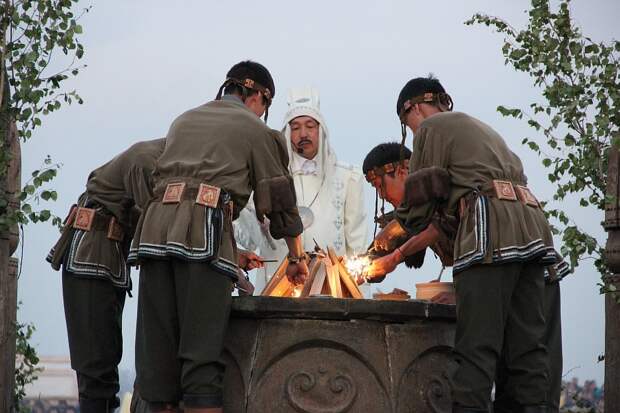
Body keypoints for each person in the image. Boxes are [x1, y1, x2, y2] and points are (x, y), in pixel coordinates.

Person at [365, 75, 562, 413]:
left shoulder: (433, 127)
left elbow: (422, 203)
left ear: (412, 108)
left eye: (406, 122)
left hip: (492, 231)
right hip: (532, 233)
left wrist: (394, 237)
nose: (412, 133)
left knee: (475, 351)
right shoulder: (482, 130)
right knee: (526, 355)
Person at [128, 60, 308, 413]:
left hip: (153, 234)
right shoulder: (256, 130)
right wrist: (297, 258)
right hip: (203, 235)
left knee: (158, 364)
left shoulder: (184, 119)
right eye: (264, 107)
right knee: (201, 359)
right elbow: (282, 203)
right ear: (259, 96)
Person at [46, 138, 166, 413]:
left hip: (109, 258)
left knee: (105, 362)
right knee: (95, 367)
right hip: (91, 253)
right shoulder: (147, 158)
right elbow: (157, 222)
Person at [234, 87, 367, 293]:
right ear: (287, 133)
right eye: (295, 128)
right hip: (278, 286)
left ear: (320, 129)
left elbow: (357, 245)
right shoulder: (267, 177)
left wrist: (358, 295)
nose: (303, 134)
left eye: (309, 126)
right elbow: (248, 237)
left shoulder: (348, 177)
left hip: (331, 288)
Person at [361, 141, 455, 304]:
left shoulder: (446, 194)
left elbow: (438, 228)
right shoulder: (406, 218)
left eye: (379, 186)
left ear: (401, 172)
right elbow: (377, 258)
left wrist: (462, 294)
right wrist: (349, 269)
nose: (381, 196)